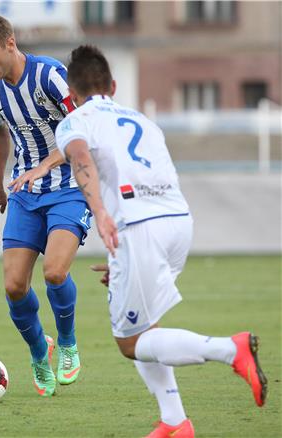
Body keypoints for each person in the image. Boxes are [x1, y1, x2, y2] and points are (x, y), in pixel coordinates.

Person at [55, 44, 267, 437]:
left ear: (71, 93)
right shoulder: (143, 121)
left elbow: (81, 158)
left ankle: (230, 348)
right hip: (177, 221)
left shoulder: (74, 120)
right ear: (113, 85)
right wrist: (126, 264)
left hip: (139, 227)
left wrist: (100, 212)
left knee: (130, 342)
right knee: (147, 325)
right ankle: (174, 421)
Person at [0, 14, 91, 397]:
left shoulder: (49, 75)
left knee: (55, 272)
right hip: (25, 191)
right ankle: (41, 351)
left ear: (10, 43)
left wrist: (43, 166)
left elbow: (83, 128)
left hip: (70, 185)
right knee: (14, 285)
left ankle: (68, 343)